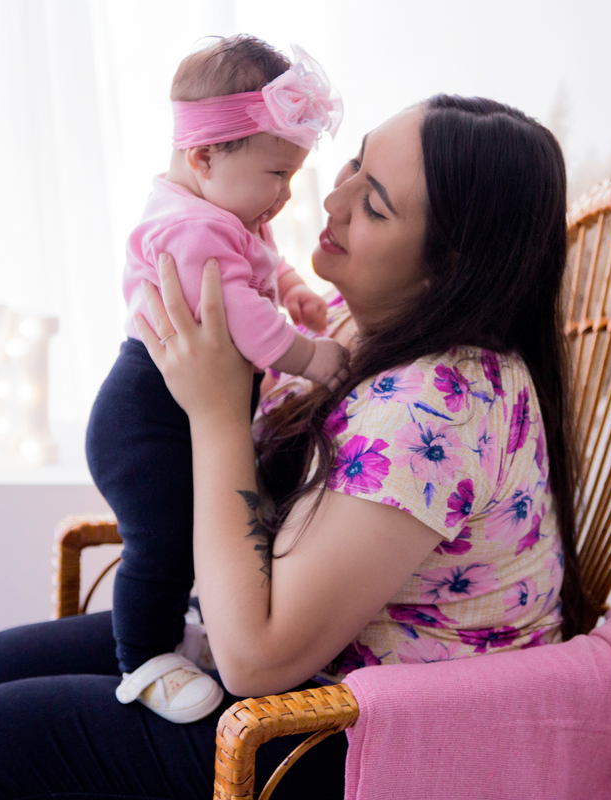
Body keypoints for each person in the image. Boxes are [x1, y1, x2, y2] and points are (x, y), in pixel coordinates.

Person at [0, 94, 596, 800]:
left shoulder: (436, 411)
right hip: (293, 652)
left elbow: (253, 661)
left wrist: (216, 415)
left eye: (373, 205)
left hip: (374, 739)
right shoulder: (353, 322)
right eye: (355, 164)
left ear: (447, 268)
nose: (332, 200)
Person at [84, 35, 349, 723]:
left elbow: (258, 260)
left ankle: (175, 635)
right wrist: (310, 357)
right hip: (145, 415)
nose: (284, 196)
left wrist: (291, 285)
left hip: (175, 405)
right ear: (204, 157)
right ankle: (143, 659)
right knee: (163, 540)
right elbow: (238, 316)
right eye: (276, 175)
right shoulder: (189, 229)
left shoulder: (219, 211)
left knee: (184, 533)